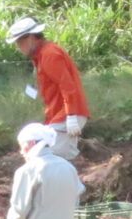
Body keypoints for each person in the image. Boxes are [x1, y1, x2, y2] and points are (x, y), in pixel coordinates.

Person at [6, 17, 89, 161]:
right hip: (58, 115)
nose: (19, 47)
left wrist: (71, 115)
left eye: (20, 42)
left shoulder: (50, 55)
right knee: (49, 159)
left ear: (31, 38)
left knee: (50, 159)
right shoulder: (42, 55)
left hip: (66, 115)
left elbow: (67, 85)